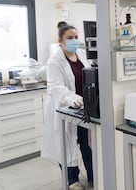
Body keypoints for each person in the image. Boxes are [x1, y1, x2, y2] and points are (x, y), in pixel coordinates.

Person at [42, 23, 93, 190]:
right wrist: (72, 98)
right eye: (70, 38)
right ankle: (72, 180)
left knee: (87, 143)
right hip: (66, 108)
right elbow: (55, 86)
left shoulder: (82, 54)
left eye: (76, 37)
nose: (74, 41)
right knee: (67, 145)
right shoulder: (54, 61)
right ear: (61, 41)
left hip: (83, 108)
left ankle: (93, 174)